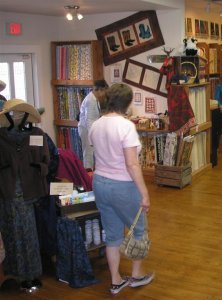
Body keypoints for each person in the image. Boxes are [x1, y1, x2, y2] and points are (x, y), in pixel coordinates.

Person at [89, 83, 153, 295]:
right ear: (126, 103)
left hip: (100, 183)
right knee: (139, 230)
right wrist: (144, 193)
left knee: (112, 234)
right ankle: (136, 275)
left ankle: (116, 280)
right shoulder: (125, 126)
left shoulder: (96, 125)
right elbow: (132, 164)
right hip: (123, 186)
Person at [78, 79, 108, 170]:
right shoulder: (90, 100)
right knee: (88, 154)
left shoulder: (95, 99)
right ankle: (88, 174)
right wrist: (92, 136)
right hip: (87, 130)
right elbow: (89, 120)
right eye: (104, 91)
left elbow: (95, 116)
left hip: (89, 129)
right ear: (99, 90)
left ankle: (89, 173)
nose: (104, 94)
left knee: (90, 153)